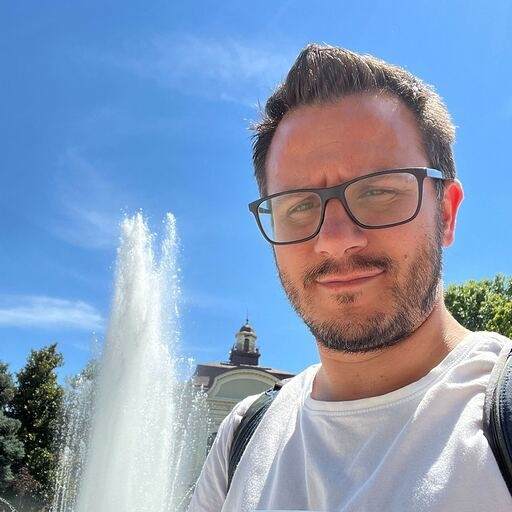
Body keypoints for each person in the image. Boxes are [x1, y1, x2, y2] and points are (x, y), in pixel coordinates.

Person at [188, 44, 512, 511]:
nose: (335, 240)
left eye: (378, 192)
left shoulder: (500, 410)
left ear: (445, 213)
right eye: (298, 205)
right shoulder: (242, 436)